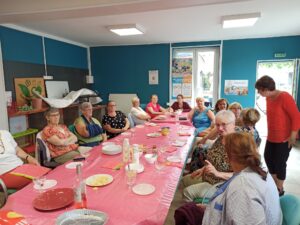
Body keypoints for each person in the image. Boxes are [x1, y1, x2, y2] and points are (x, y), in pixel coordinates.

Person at [175, 132, 282, 225]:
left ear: (227, 157)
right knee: (189, 210)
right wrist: (210, 208)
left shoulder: (242, 188)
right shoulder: (260, 172)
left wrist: (212, 212)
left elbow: (243, 212)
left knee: (184, 213)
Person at [255, 75, 300, 196]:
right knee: (268, 158)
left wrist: (292, 136)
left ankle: (279, 188)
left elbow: (296, 117)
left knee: (280, 163)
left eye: (259, 90)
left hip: (284, 138)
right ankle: (275, 184)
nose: (258, 92)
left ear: (266, 89)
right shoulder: (268, 98)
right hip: (272, 137)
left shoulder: (285, 97)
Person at [182, 110, 236, 202]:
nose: (220, 128)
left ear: (233, 124)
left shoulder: (238, 144)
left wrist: (217, 173)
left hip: (221, 184)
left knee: (187, 192)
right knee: (184, 180)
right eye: (218, 125)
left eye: (224, 124)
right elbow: (214, 159)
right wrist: (203, 169)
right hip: (209, 177)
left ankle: (197, 213)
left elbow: (242, 175)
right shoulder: (221, 138)